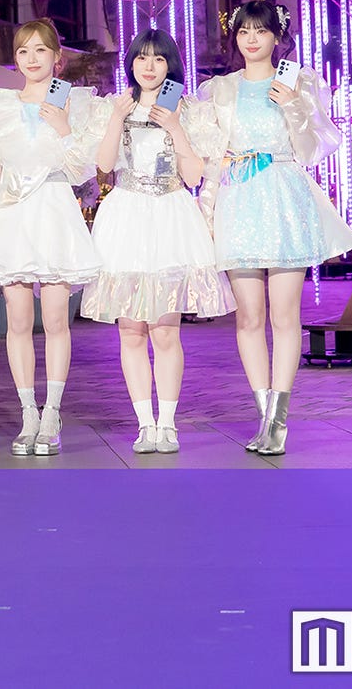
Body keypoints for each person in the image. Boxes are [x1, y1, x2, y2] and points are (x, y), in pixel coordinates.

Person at [190, 0, 352, 456]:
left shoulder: (300, 83)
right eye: (244, 31)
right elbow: (209, 152)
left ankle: (279, 420)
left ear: (277, 37)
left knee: (284, 316)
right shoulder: (218, 90)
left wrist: (295, 108)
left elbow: (314, 146)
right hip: (238, 199)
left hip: (284, 197)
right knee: (248, 317)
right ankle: (264, 412)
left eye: (261, 31)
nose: (251, 39)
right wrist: (209, 200)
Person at [82, 28, 233, 454]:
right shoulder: (117, 107)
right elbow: (104, 166)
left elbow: (194, 176)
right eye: (141, 58)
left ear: (171, 65)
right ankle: (144, 424)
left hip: (170, 215)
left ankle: (168, 423)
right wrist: (116, 119)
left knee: (166, 330)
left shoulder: (189, 110)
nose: (149, 66)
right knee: (131, 330)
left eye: (159, 59)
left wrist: (176, 128)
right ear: (130, 63)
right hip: (126, 215)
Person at [0, 19, 104, 456]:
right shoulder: (0, 106)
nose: (32, 59)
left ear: (56, 57)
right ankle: (28, 412)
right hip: (12, 215)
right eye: (23, 51)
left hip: (53, 210)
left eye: (40, 50)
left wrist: (66, 128)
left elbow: (84, 170)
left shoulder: (74, 103)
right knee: (17, 320)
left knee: (54, 320)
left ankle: (52, 412)